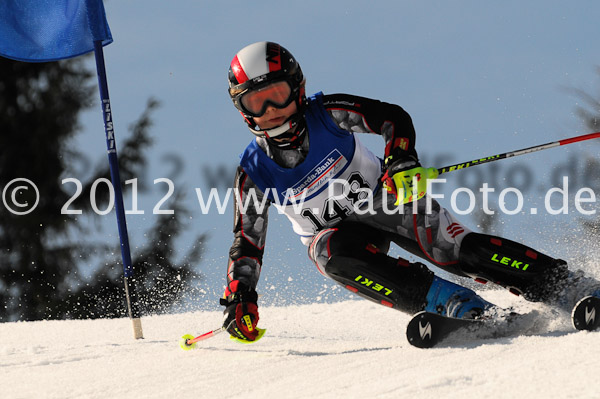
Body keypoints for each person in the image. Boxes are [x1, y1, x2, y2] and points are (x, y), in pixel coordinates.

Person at [220, 41, 600, 342]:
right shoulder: (252, 170)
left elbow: (391, 118)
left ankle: (567, 285)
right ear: (243, 111)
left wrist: (399, 159)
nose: (271, 110)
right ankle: (455, 305)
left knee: (454, 251)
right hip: (339, 238)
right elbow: (247, 241)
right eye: (257, 102)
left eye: (278, 94)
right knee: (329, 255)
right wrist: (241, 295)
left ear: (297, 89)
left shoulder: (326, 113)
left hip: (388, 199)